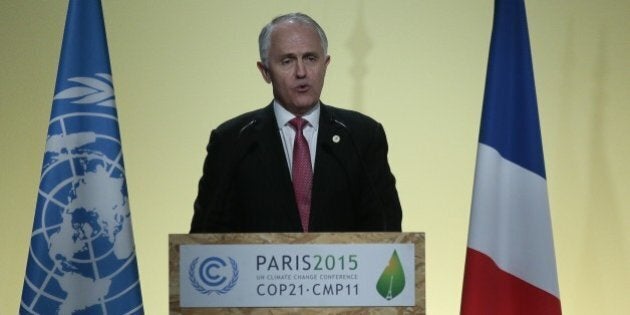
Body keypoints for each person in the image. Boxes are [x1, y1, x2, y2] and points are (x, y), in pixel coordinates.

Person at [190, 13, 402, 233]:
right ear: (265, 71)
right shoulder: (233, 141)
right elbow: (205, 239)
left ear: (326, 64)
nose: (301, 72)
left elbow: (386, 230)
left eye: (311, 58)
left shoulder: (362, 136)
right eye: (287, 61)